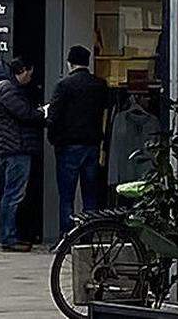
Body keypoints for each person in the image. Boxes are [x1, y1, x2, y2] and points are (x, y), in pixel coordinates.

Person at [47, 45, 109, 238]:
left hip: (68, 145)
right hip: (92, 145)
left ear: (69, 63)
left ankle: (67, 236)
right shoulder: (99, 85)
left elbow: (54, 115)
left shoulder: (64, 85)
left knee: (67, 196)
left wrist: (53, 137)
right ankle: (89, 236)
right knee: (90, 194)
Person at [0, 58, 44, 252]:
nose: (30, 78)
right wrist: (42, 114)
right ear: (23, 71)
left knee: (13, 193)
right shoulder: (8, 89)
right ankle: (9, 238)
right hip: (15, 148)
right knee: (13, 194)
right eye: (29, 74)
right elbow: (25, 114)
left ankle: (11, 236)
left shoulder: (6, 88)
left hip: (13, 147)